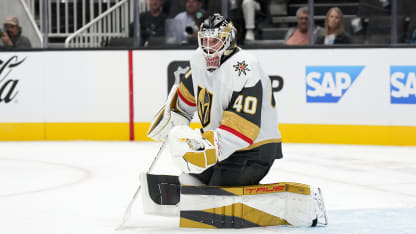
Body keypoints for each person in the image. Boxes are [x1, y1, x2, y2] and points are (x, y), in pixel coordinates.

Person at [144, 13, 327, 228]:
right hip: (221, 146)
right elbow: (185, 101)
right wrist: (173, 120)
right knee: (190, 184)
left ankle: (304, 204)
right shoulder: (198, 61)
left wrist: (205, 150)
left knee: (215, 204)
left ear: (228, 40)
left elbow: (243, 130)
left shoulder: (245, 68)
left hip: (254, 150)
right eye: (204, 41)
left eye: (215, 41)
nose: (208, 47)